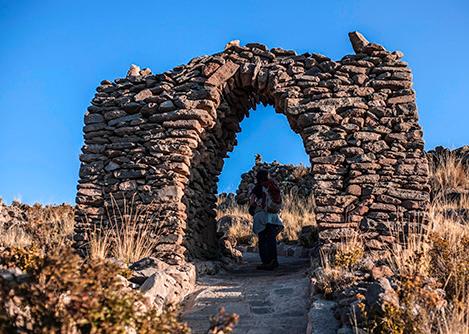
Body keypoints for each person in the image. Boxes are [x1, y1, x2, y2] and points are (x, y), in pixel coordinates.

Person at [248, 169, 284, 270]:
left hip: (262, 216)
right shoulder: (272, 184)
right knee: (271, 239)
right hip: (273, 215)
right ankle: (274, 260)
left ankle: (266, 262)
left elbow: (252, 201)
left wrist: (253, 207)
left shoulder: (258, 187)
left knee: (263, 239)